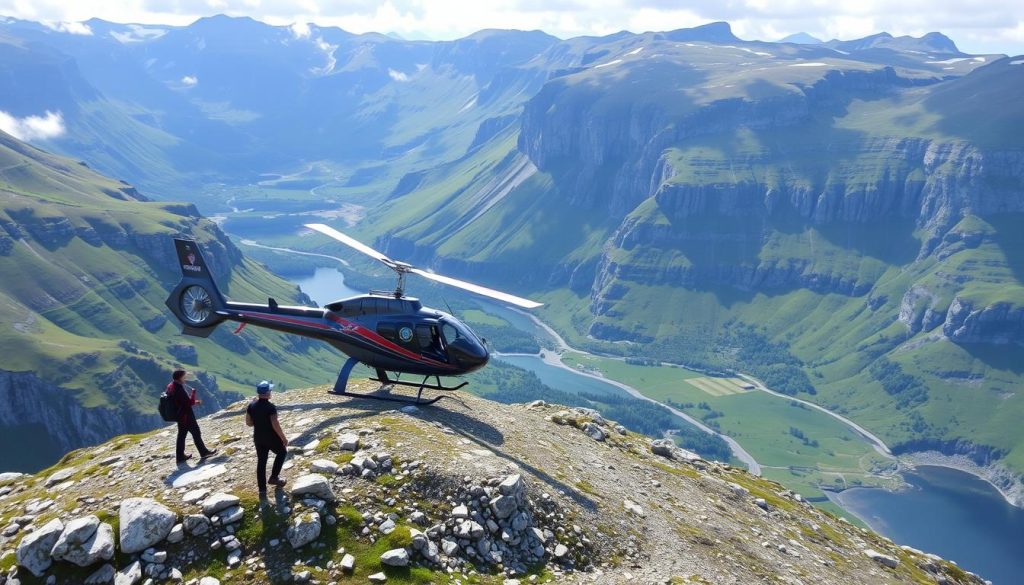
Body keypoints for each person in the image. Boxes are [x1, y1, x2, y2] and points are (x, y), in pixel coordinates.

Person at [246, 380, 289, 494]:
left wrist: (257, 418)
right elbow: (275, 424)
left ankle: (262, 490)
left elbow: (249, 423)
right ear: (267, 393)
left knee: (261, 461)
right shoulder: (271, 407)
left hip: (258, 438)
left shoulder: (252, 405)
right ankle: (274, 477)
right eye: (270, 390)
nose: (271, 392)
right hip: (271, 437)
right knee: (282, 452)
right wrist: (283, 438)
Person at [168, 369, 217, 464]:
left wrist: (195, 402)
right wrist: (193, 394)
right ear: (180, 377)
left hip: (180, 416)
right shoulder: (179, 388)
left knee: (181, 436)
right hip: (187, 416)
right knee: (196, 433)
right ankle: (204, 452)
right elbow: (188, 402)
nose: (185, 378)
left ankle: (180, 456)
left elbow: (181, 402)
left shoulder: (171, 386)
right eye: (184, 376)